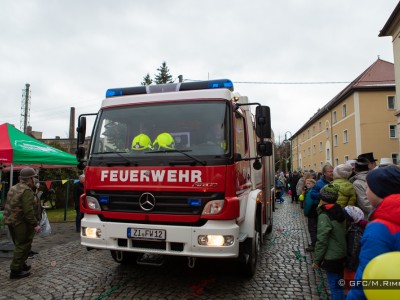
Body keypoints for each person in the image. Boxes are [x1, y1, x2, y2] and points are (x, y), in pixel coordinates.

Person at [347, 165, 400, 300]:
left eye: (368, 187)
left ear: (379, 191)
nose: (365, 191)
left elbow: (366, 275)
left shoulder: (379, 228)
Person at [3, 167, 41, 279]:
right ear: (30, 178)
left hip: (11, 220)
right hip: (21, 222)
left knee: (19, 244)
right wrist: (35, 224)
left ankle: (21, 264)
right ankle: (15, 270)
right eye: (33, 177)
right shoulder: (26, 191)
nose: (34, 179)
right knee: (23, 245)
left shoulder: (14, 187)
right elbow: (28, 210)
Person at [312, 184, 347, 300]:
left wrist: (316, 260)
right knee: (340, 285)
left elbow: (322, 240)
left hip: (332, 257)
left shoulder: (324, 216)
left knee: (334, 286)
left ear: (322, 199)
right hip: (342, 254)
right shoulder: (339, 211)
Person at [342, 206, 367, 296]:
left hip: (352, 267)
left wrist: (348, 265)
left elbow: (353, 250)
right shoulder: (357, 228)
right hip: (354, 265)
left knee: (349, 290)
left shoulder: (354, 231)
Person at [303, 178, 318, 250]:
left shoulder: (310, 192)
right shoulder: (312, 191)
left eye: (309, 183)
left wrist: (306, 212)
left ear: (313, 184)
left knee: (312, 229)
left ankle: (314, 244)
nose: (307, 185)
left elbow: (308, 204)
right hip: (315, 212)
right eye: (306, 183)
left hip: (312, 212)